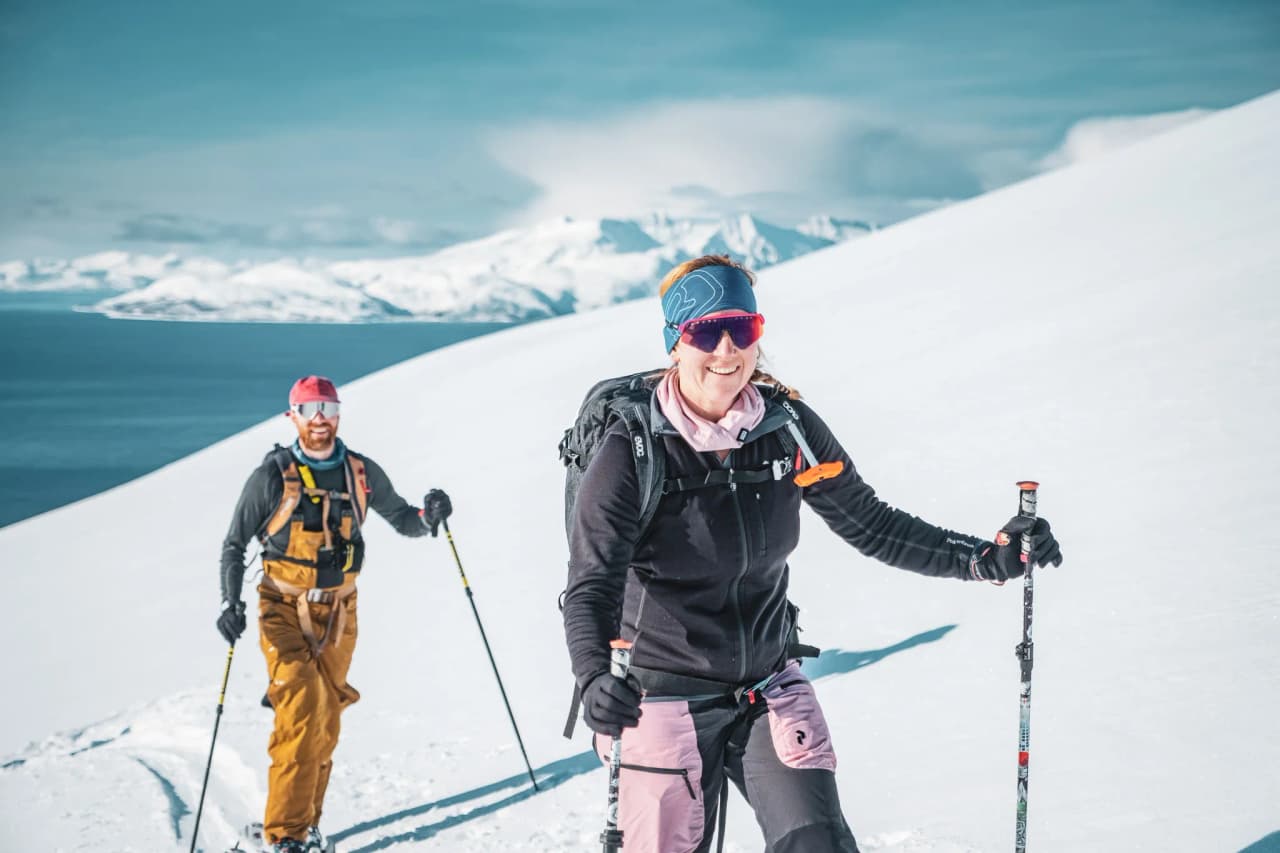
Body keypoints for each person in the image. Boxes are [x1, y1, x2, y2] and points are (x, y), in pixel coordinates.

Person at [561, 255, 1063, 853]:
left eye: (742, 328)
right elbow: (592, 584)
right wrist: (594, 676)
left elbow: (870, 522)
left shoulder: (786, 427)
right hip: (659, 699)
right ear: (675, 340)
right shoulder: (632, 451)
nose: (727, 349)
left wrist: (985, 557)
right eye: (704, 330)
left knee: (818, 845)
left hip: (766, 691)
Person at [218, 375, 453, 853]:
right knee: (303, 710)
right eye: (309, 410)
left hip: (341, 612)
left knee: (326, 717)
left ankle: (305, 825)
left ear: (339, 413)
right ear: (293, 418)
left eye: (326, 407)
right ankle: (284, 835)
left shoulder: (360, 472)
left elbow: (404, 519)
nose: (319, 418)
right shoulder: (271, 476)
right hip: (282, 605)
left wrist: (430, 516)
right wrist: (230, 603)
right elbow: (234, 542)